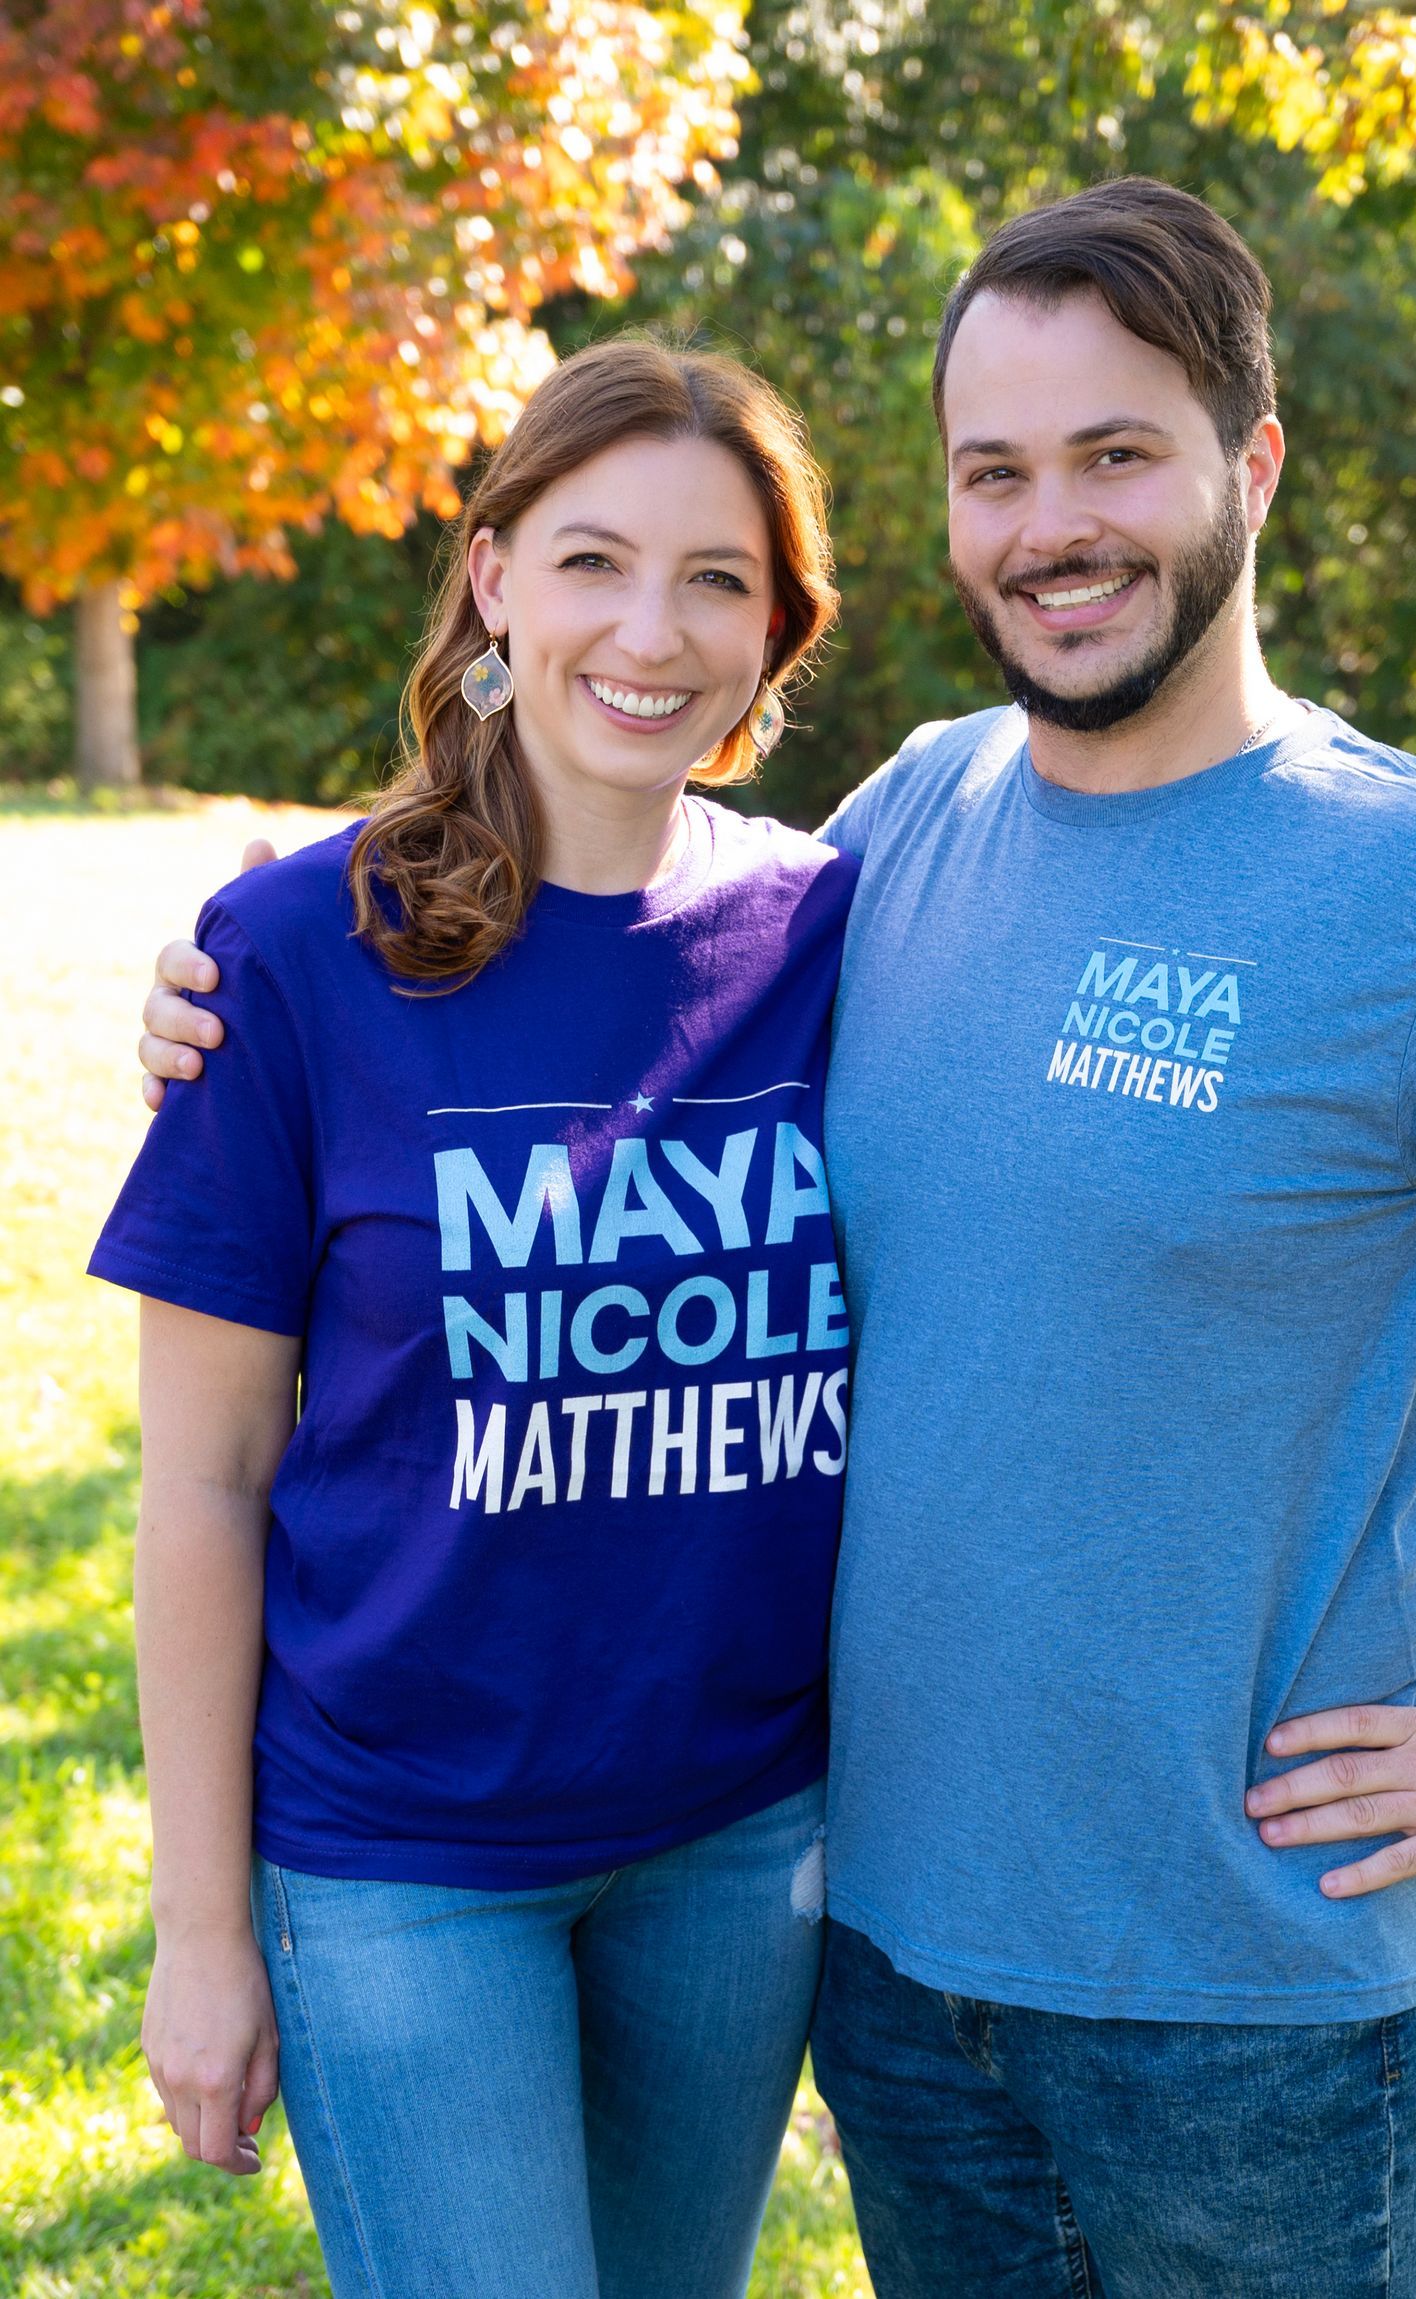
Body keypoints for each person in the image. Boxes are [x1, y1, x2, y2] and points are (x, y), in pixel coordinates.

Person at [137, 181, 1416, 2298]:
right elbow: (559, 933)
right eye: (996, 472)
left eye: (1119, 453)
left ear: (1250, 462)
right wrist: (241, 974)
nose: (1055, 524)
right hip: (884, 1963)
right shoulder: (907, 834)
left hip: (1251, 2007)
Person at [93, 336, 860, 2299]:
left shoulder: (833, 932)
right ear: (495, 575)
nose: (654, 628)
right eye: (595, 559)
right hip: (403, 1859)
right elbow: (200, 1480)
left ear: (779, 628)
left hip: (734, 1844)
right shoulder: (287, 956)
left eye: (718, 579)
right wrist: (201, 1930)